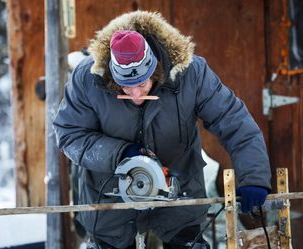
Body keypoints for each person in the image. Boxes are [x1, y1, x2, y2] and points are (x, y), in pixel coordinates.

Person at [53, 11, 271, 249]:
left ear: (155, 70)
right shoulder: (88, 78)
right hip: (110, 199)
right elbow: (69, 134)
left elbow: (235, 122)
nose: (135, 95)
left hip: (179, 194)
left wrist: (254, 177)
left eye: (141, 84)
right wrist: (121, 154)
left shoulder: (190, 74)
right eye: (125, 87)